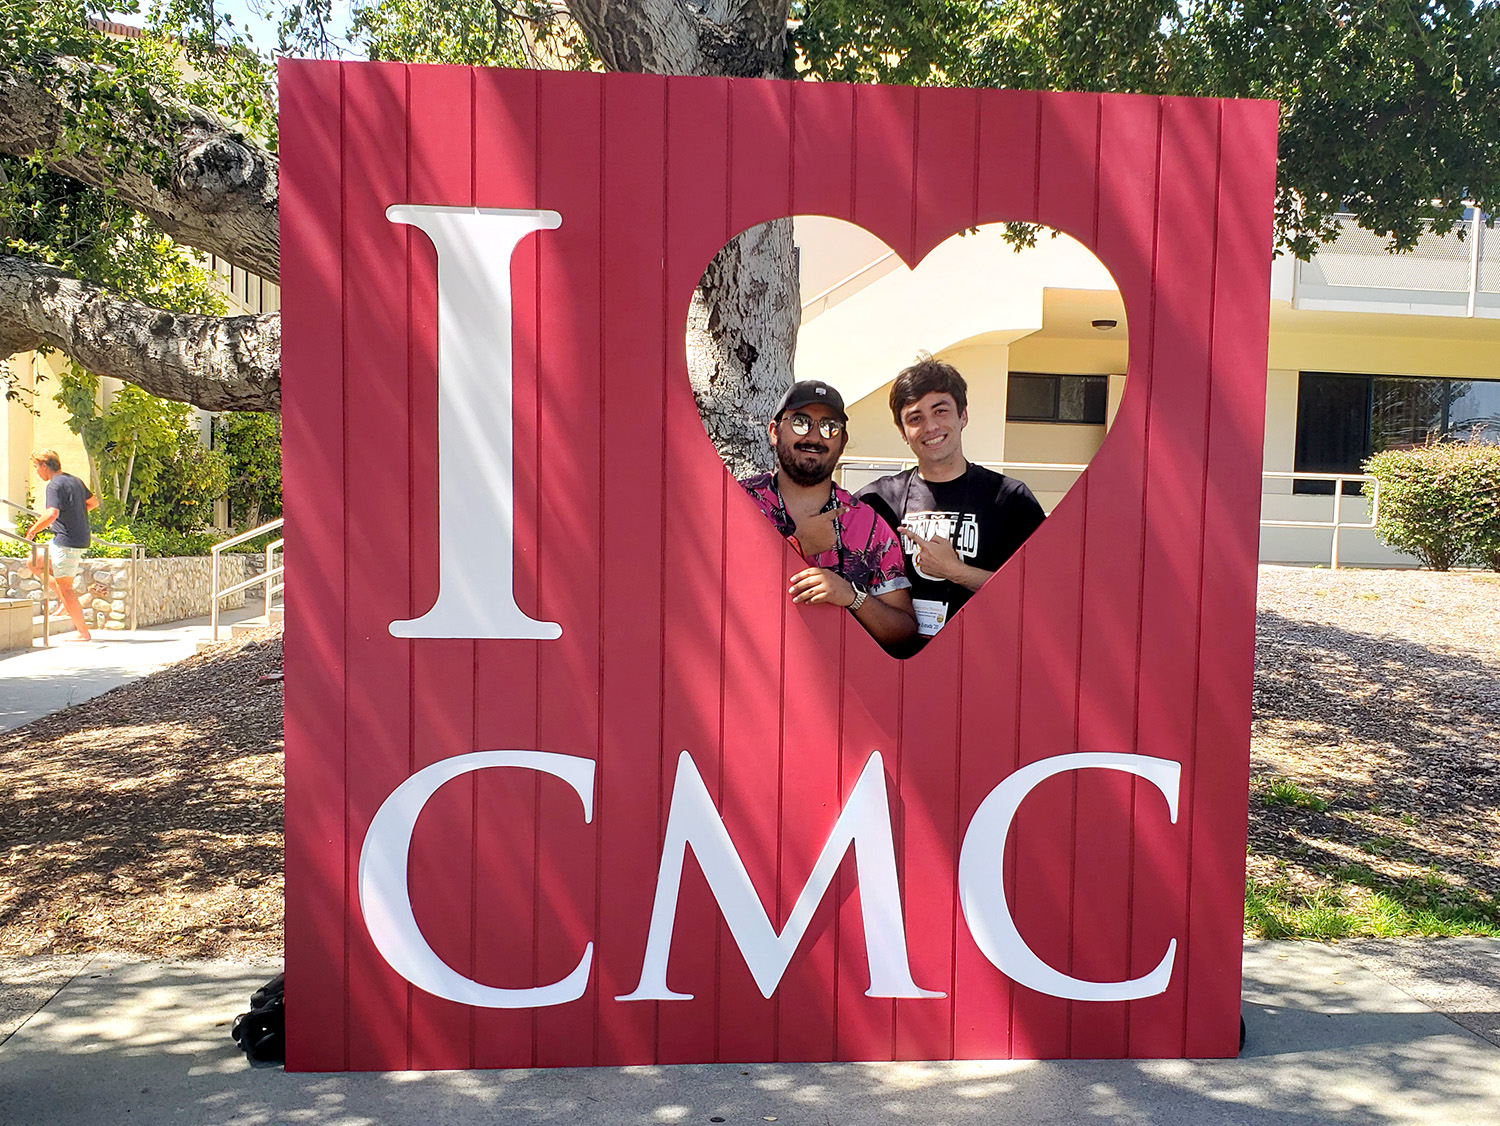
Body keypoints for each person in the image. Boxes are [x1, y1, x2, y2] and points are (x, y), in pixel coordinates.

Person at [857, 357, 1045, 642]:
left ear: (963, 416)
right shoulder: (877, 501)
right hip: (898, 667)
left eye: (940, 411)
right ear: (903, 433)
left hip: (982, 664)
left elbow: (1038, 592)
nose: (931, 427)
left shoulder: (1010, 499)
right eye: (915, 418)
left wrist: (956, 571)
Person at [740, 380, 918, 649]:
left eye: (829, 427)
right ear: (775, 431)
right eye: (801, 422)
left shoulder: (868, 526)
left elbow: (903, 633)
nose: (814, 437)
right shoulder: (738, 503)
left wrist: (851, 596)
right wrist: (798, 546)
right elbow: (694, 596)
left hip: (836, 684)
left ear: (843, 441)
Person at [26, 449, 98, 641]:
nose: (36, 471)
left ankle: (83, 632)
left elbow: (51, 514)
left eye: (36, 467)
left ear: (44, 466)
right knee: (34, 562)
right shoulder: (75, 480)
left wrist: (33, 530)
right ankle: (65, 602)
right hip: (64, 539)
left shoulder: (54, 486)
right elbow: (93, 502)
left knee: (66, 588)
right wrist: (75, 514)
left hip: (67, 542)